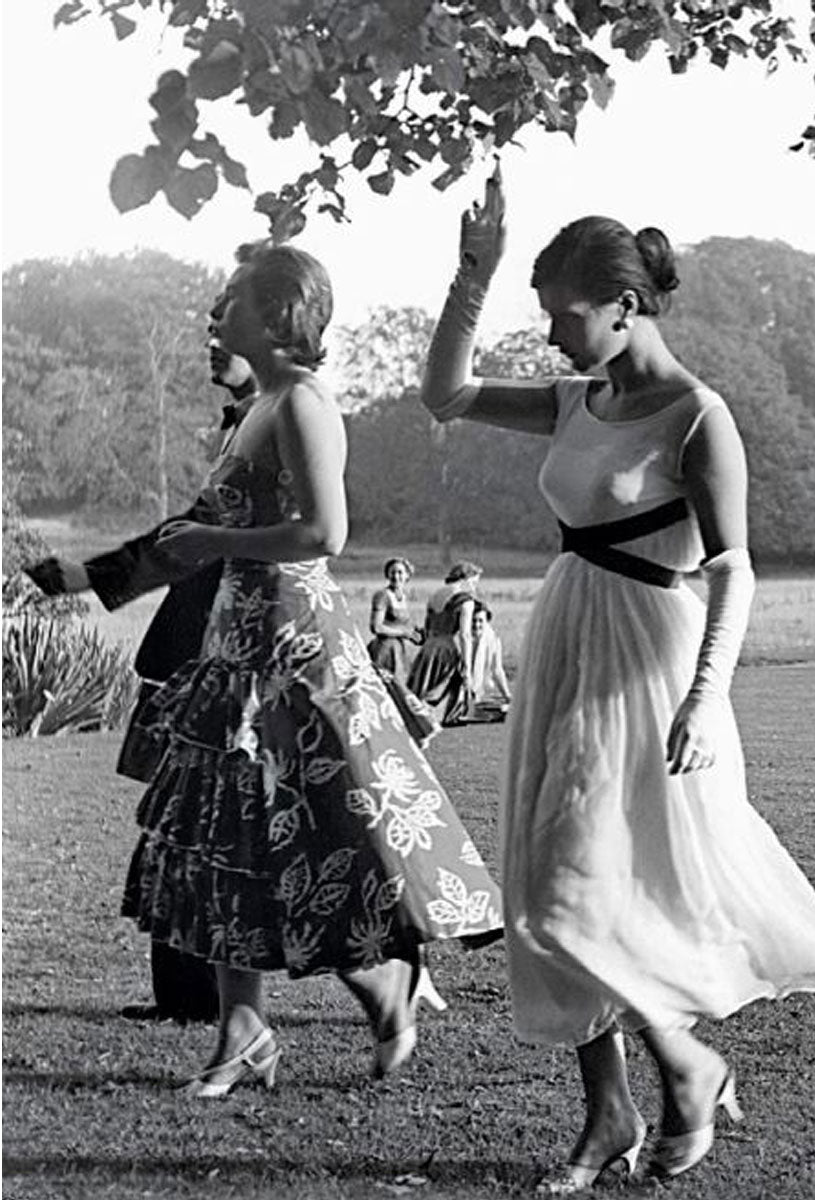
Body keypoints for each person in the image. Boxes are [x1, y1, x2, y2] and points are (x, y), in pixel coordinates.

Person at [419, 167, 815, 1189]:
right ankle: (607, 1115)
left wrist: (707, 696)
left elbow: (734, 569)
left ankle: (687, 1062)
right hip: (569, 635)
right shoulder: (574, 398)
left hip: (653, 662)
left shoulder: (697, 416)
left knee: (584, 896)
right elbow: (443, 394)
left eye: (565, 314)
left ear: (626, 308)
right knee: (544, 888)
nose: (551, 334)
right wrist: (471, 276)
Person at [120, 242, 503, 1098]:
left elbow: (326, 535)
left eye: (230, 301)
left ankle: (384, 983)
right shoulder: (257, 404)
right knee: (228, 830)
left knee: (326, 825)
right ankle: (242, 1033)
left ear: (278, 314)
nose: (216, 314)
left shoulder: (303, 403)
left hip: (295, 644)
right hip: (235, 637)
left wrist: (213, 541)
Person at [23, 333, 259, 1025]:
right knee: (178, 824)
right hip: (196, 651)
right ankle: (187, 996)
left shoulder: (276, 418)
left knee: (208, 826)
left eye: (229, 325)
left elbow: (196, 536)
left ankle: (392, 970)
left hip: (228, 654)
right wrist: (84, 576)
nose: (213, 340)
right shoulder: (247, 422)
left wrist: (82, 576)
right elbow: (186, 533)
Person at [365, 556, 440, 745]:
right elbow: (376, 627)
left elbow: (405, 625)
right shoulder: (382, 596)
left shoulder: (403, 597)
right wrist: (404, 633)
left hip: (397, 651)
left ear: (407, 575)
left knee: (398, 691)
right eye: (393, 572)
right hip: (383, 650)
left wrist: (417, 634)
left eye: (400, 572)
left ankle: (403, 733)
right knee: (391, 690)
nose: (396, 576)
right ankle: (418, 730)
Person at [406, 561, 482, 726]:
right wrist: (468, 668)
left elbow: (427, 627)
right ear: (466, 578)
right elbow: (465, 635)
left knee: (423, 685)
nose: (474, 587)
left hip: (429, 647)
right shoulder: (465, 600)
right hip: (446, 648)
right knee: (443, 687)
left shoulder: (435, 595)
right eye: (474, 582)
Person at [460, 601, 511, 723]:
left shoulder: (493, 640)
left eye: (480, 621)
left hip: (480, 691)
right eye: (473, 620)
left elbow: (497, 670)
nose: (476, 625)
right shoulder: (460, 640)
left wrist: (507, 696)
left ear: (487, 622)